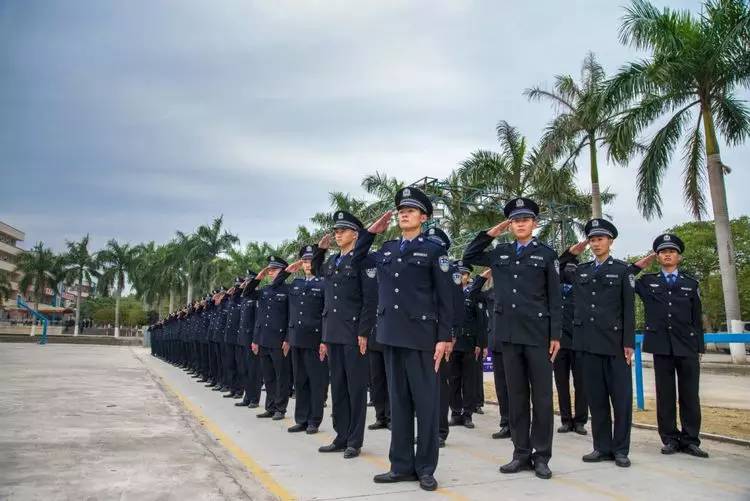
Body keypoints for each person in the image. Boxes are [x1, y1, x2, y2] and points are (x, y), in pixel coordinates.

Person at [360, 186, 454, 492]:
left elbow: (445, 299)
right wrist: (370, 232)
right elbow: (357, 259)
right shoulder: (386, 250)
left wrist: (444, 337)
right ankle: (400, 465)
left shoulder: (434, 252)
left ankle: (425, 467)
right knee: (398, 404)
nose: (404, 214)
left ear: (423, 217)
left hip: (423, 338)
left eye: (410, 210)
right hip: (391, 336)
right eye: (401, 210)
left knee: (425, 405)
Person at [463, 197, 561, 480]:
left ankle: (541, 456)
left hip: (538, 335)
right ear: (510, 225)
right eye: (515, 220)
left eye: (525, 219)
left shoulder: (546, 255)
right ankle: (521, 454)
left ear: (534, 224)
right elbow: (469, 255)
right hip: (508, 334)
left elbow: (555, 299)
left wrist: (555, 334)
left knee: (541, 398)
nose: (520, 223)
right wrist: (494, 231)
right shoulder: (500, 252)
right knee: (516, 397)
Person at [632, 234, 708, 458]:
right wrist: (639, 265)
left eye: (672, 251)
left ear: (679, 257)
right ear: (657, 257)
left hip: (687, 346)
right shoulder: (648, 282)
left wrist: (699, 347)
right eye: (663, 252)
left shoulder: (690, 283)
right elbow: (625, 279)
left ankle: (691, 439)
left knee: (690, 395)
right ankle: (670, 439)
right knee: (665, 395)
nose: (667, 254)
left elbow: (697, 317)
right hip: (661, 346)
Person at [574, 218, 635, 468]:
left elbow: (629, 310)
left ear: (610, 241)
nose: (596, 243)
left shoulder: (623, 271)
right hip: (588, 344)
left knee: (620, 399)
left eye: (600, 239)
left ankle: (620, 449)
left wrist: (628, 342)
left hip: (615, 344)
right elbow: (559, 266)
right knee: (596, 399)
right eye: (592, 239)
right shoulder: (582, 270)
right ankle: (601, 447)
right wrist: (572, 251)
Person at [317, 211, 378, 459]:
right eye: (336, 231)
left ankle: (354, 440)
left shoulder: (364, 260)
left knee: (355, 388)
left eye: (343, 230)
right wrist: (320, 250)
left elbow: (370, 300)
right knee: (339, 388)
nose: (337, 234)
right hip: (333, 333)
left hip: (354, 334)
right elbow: (319, 272)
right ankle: (341, 435)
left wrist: (364, 332)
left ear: (356, 233)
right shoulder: (333, 262)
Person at [284, 242, 329, 434]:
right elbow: (289, 313)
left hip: (315, 340)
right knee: (300, 381)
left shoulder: (324, 282)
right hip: (296, 339)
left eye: (311, 259)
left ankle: (314, 420)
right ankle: (301, 419)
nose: (308, 263)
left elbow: (327, 313)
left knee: (316, 382)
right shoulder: (296, 283)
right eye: (304, 260)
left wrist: (324, 340)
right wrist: (287, 271)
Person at [449, 262, 489, 430]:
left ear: (468, 277)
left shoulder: (475, 295)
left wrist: (481, 344)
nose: (462, 277)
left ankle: (467, 415)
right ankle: (455, 413)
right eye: (459, 274)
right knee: (453, 380)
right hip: (453, 344)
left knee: (469, 381)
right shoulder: (448, 293)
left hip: (470, 344)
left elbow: (482, 322)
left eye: (464, 274)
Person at [252, 257, 292, 421]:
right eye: (269, 270)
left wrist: (288, 338)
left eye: (274, 270)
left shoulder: (289, 290)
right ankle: (270, 407)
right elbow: (247, 293)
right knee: (268, 376)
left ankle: (280, 409)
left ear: (283, 271)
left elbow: (291, 316)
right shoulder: (265, 290)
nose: (270, 273)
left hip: (279, 340)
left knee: (281, 377)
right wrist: (258, 278)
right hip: (263, 339)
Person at [555, 243, 589, 435]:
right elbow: (556, 265)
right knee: (562, 383)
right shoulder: (555, 289)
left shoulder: (583, 289)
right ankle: (566, 420)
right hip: (559, 343)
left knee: (581, 383)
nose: (570, 271)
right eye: (567, 268)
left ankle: (581, 421)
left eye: (573, 269)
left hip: (580, 342)